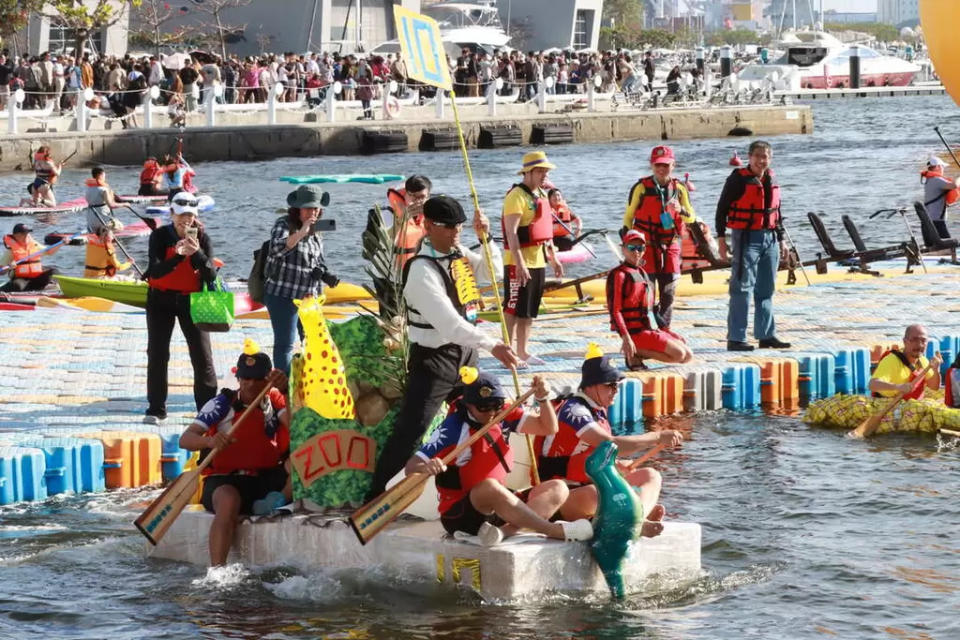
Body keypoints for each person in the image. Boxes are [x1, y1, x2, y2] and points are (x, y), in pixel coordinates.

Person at [367, 195, 519, 499]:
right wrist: (494, 345)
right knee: (413, 430)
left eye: (459, 227)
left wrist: (485, 237)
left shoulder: (459, 253)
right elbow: (449, 324)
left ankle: (479, 479)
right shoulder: (421, 271)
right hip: (435, 361)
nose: (455, 233)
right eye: (448, 227)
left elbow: (494, 274)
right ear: (428, 226)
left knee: (485, 413)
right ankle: (377, 496)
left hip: (465, 355)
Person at [405, 368, 593, 546]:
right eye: (483, 407)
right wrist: (427, 467)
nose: (491, 413)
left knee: (558, 487)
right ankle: (553, 531)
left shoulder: (504, 413)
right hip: (461, 514)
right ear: (468, 405)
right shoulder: (452, 428)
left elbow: (548, 428)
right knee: (490, 487)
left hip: (497, 509)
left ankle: (505, 532)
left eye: (496, 405)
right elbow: (411, 466)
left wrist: (543, 399)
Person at [536, 346, 682, 537]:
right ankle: (633, 519)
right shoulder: (574, 411)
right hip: (564, 496)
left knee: (651, 476)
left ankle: (637, 520)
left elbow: (597, 456)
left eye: (617, 385)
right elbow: (611, 444)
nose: (615, 391)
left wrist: (617, 465)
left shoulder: (598, 410)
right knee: (600, 494)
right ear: (591, 385)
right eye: (610, 385)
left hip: (591, 486)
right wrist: (657, 437)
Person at [178, 342, 291, 566]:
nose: (248, 384)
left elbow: (299, 428)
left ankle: (278, 501)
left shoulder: (276, 400)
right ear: (238, 378)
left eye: (256, 379)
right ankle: (218, 571)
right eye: (244, 378)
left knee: (302, 462)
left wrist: (288, 392)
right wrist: (209, 440)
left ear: (267, 381)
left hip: (264, 478)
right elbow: (186, 439)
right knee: (229, 500)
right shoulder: (221, 404)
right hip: (224, 480)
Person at [143, 192, 218, 424]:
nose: (186, 221)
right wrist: (177, 255)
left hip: (191, 300)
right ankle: (156, 408)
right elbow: (155, 271)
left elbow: (211, 275)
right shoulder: (158, 236)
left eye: (191, 216)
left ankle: (206, 410)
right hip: (160, 300)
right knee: (157, 354)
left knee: (202, 356)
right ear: (172, 214)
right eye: (182, 216)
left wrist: (197, 253)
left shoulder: (203, 238)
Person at [716, 140, 791, 352]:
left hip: (770, 239)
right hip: (746, 238)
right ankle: (736, 338)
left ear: (771, 158)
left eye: (765, 156)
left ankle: (766, 335)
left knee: (766, 288)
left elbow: (777, 213)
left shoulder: (771, 178)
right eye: (757, 155)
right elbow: (721, 210)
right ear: (749, 157)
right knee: (742, 287)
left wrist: (781, 239)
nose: (761, 160)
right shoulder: (737, 180)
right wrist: (721, 240)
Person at [621, 145, 706, 329]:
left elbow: (690, 217)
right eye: (658, 165)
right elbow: (628, 216)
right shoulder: (641, 187)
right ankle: (647, 328)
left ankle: (664, 327)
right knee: (646, 291)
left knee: (669, 292)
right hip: (645, 247)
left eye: (666, 165)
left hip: (670, 245)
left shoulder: (680, 189)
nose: (662, 169)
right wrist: (627, 243)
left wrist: (680, 210)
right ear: (652, 165)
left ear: (673, 165)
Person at [263, 185, 339, 375]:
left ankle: (307, 383)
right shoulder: (283, 224)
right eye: (307, 208)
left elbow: (317, 259)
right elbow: (277, 249)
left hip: (308, 297)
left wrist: (324, 274)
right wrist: (302, 232)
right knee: (285, 344)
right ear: (297, 208)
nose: (312, 212)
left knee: (312, 341)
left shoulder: (317, 230)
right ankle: (283, 391)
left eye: (316, 208)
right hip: (283, 294)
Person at [502, 151, 564, 365]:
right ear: (528, 172)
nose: (544, 174)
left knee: (529, 309)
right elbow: (512, 233)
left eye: (545, 171)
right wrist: (519, 263)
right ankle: (507, 351)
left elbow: (545, 232)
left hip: (537, 260)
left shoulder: (542, 195)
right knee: (513, 307)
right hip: (516, 261)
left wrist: (553, 259)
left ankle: (523, 351)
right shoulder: (516, 196)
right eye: (540, 171)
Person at [607, 230, 693, 369]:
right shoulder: (619, 275)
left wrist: (666, 330)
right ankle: (634, 353)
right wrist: (626, 337)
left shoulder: (642, 273)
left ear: (644, 249)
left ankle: (638, 352)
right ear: (623, 249)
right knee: (679, 355)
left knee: (688, 355)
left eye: (640, 248)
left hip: (649, 329)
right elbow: (615, 311)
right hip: (634, 332)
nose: (636, 252)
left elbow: (651, 309)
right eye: (631, 248)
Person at [868, 324, 942, 401]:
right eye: (914, 340)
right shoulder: (891, 361)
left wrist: (936, 370)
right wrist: (897, 387)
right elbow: (872, 384)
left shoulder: (923, 361)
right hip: (890, 404)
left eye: (923, 341)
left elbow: (934, 387)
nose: (919, 345)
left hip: (911, 406)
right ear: (905, 342)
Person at [387, 174, 431, 268]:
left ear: (428, 196)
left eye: (422, 197)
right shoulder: (388, 213)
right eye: (414, 196)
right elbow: (384, 240)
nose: (418, 201)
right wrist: (402, 221)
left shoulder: (430, 214)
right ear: (406, 194)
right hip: (389, 272)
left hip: (416, 268)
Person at [1, 223, 60, 292]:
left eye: (27, 233)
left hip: (36, 279)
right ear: (16, 236)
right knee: (17, 285)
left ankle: (51, 288)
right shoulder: (10, 251)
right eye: (23, 234)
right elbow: (1, 271)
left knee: (54, 272)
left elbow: (50, 252)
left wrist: (62, 243)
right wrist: (9, 267)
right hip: (21, 280)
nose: (26, 236)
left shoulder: (34, 245)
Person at [920, 156, 959, 242]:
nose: (943, 169)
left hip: (928, 222)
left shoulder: (929, 180)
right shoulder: (937, 180)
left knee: (935, 247)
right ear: (937, 166)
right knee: (950, 245)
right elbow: (954, 185)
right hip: (936, 222)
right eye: (942, 167)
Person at [84, 167, 123, 233]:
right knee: (120, 227)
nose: (105, 178)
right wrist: (125, 205)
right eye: (104, 176)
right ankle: (104, 232)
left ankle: (101, 232)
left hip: (91, 223)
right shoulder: (103, 190)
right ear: (100, 175)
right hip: (102, 221)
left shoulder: (88, 189)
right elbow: (111, 205)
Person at [548, 188, 582, 252]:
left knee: (566, 242)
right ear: (549, 198)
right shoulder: (546, 210)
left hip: (564, 237)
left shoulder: (565, 209)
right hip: (551, 238)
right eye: (554, 195)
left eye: (558, 195)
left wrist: (578, 228)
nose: (556, 197)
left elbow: (578, 220)